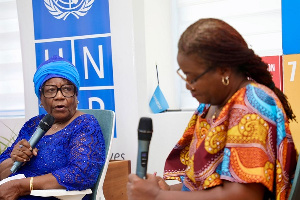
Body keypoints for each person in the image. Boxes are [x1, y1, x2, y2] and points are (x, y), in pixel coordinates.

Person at [127, 18, 297, 200]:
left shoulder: (250, 106)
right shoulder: (208, 105)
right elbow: (198, 188)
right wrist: (166, 190)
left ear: (224, 71)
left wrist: (157, 196)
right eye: (185, 76)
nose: (188, 86)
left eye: (193, 78)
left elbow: (242, 196)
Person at [0, 55, 106, 200]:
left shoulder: (85, 125)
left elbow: (81, 174)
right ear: (41, 99)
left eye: (67, 89)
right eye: (51, 90)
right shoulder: (33, 125)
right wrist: (15, 159)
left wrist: (21, 186)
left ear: (76, 95)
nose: (59, 96)